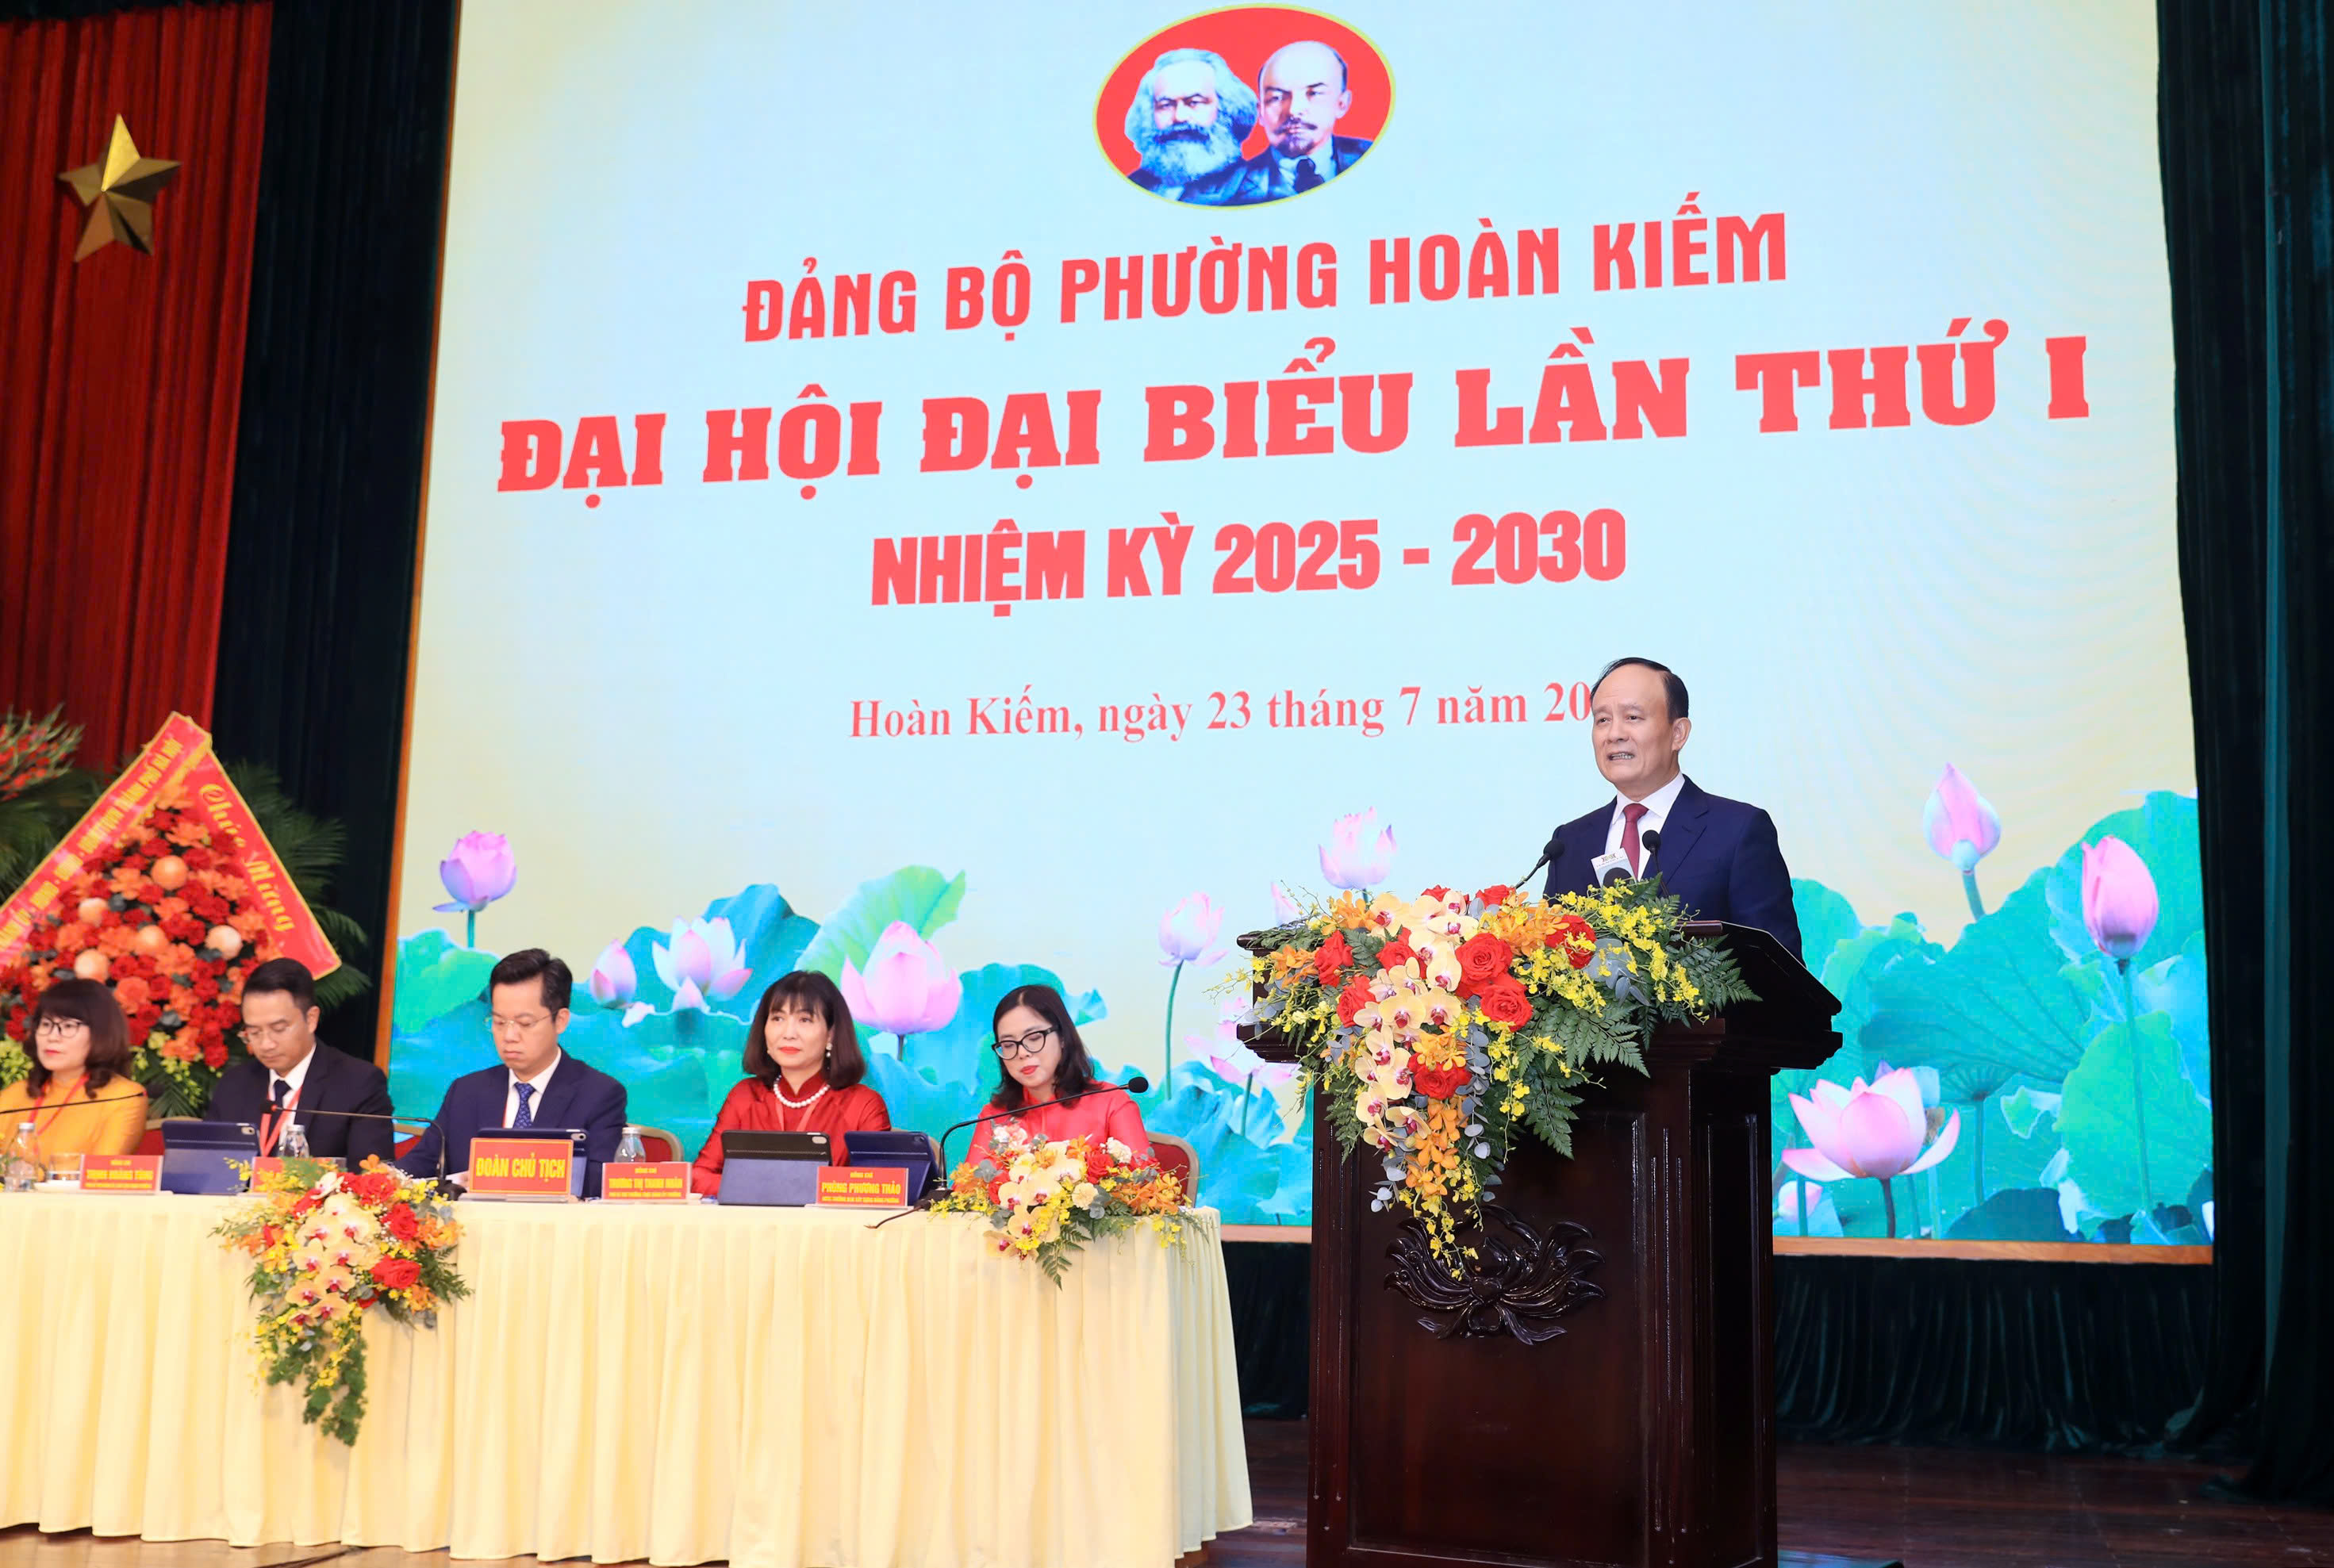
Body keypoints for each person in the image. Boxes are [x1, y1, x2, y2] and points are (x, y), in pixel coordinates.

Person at [1540, 657, 1802, 959]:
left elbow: (1781, 969)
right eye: (1602, 720)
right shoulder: (1568, 843)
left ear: (1678, 733)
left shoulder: (1738, 832)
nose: (1614, 734)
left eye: (1633, 717)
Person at [397, 949, 627, 1196]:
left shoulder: (599, 1094)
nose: (509, 1036)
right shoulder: (466, 1092)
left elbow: (598, 1182)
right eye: (498, 1022)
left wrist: (499, 1179)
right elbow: (420, 1164)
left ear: (560, 1020)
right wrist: (388, 1177)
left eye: (525, 1023)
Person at [690, 971, 891, 1196]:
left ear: (831, 1035)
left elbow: (877, 1188)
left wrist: (783, 1190)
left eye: (805, 1020)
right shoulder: (744, 1096)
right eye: (778, 1019)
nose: (788, 1033)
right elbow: (699, 1176)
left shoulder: (863, 1105)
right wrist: (770, 1190)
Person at [205, 957, 395, 1166]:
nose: (266, 1044)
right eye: (254, 1032)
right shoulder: (234, 1084)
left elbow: (371, 1174)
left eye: (279, 1029)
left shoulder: (359, 1083)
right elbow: (208, 1164)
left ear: (311, 1019)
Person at [958, 983, 1150, 1171]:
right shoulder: (994, 1116)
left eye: (1034, 1038)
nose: (1022, 1053)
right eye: (1008, 1045)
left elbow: (1145, 1186)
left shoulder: (1111, 1104)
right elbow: (965, 1189)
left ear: (1063, 1037)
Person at [1184, 40, 1372, 205]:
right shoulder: (1218, 195)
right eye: (1277, 98)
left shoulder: (1378, 160)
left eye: (1314, 94)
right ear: (1261, 112)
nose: (1294, 110)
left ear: (1342, 104)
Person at [0, 979, 148, 1159]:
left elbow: (99, 1173)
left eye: (68, 1026)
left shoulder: (124, 1097)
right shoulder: (14, 1095)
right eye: (46, 1024)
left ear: (100, 1034)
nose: (53, 1037)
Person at [1123, 47, 1256, 201]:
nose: (1179, 117)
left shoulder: (1252, 187)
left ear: (1226, 109)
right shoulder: (1132, 185)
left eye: (1194, 102)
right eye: (1166, 105)